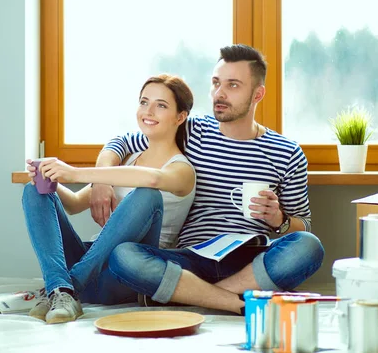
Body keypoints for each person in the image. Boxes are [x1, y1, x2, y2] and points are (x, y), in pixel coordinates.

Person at [91, 44, 324, 315]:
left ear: (257, 94)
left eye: (233, 85)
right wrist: (101, 181)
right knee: (124, 255)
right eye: (216, 83)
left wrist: (279, 219)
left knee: (309, 247)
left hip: (249, 260)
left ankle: (194, 297)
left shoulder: (287, 152)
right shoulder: (191, 130)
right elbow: (120, 142)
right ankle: (231, 300)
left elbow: (302, 227)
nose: (219, 93)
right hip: (190, 259)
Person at [22, 74, 196, 324]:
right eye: (144, 102)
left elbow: (152, 180)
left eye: (161, 105)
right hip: (92, 262)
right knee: (34, 190)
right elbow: (72, 204)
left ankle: (68, 286)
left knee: (147, 195)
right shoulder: (126, 161)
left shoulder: (182, 170)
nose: (149, 111)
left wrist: (75, 172)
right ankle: (61, 289)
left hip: (125, 272)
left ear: (180, 117)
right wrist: (49, 178)